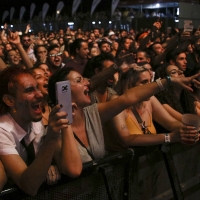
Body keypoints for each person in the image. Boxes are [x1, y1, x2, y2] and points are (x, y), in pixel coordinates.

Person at [48, 64, 200, 163]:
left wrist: (168, 81)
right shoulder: (54, 131)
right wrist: (169, 137)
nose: (87, 82)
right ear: (64, 91)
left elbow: (129, 98)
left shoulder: (93, 112)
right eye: (79, 80)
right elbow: (74, 170)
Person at [0, 66, 82, 195]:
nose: (39, 94)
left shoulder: (35, 122)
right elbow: (28, 186)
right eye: (29, 90)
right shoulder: (2, 131)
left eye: (37, 88)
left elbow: (74, 169)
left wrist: (66, 120)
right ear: (10, 100)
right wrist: (51, 137)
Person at [104, 65, 199, 151]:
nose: (149, 86)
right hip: (121, 166)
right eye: (144, 82)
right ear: (130, 85)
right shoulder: (116, 101)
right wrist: (169, 137)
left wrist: (188, 131)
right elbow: (126, 139)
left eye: (150, 81)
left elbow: (170, 123)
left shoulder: (150, 99)